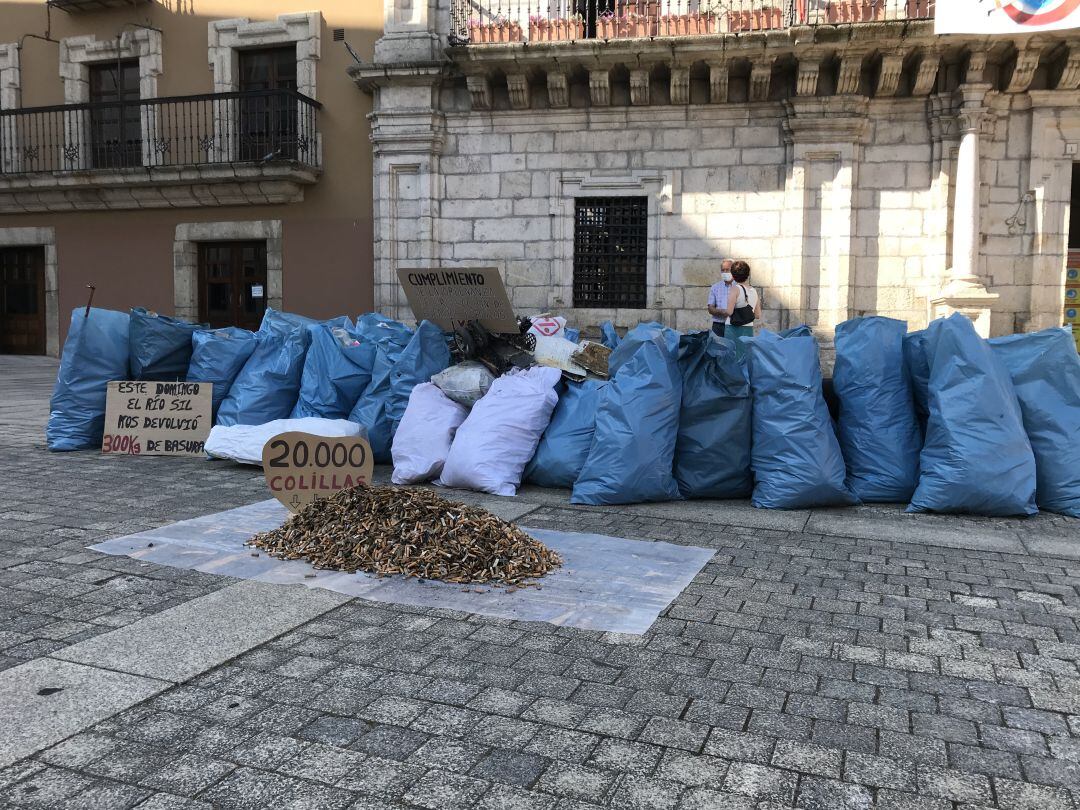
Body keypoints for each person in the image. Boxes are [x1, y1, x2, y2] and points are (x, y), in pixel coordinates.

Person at [725, 260, 761, 349]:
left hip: (733, 328)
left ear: (733, 276)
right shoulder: (754, 291)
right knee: (745, 358)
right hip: (748, 329)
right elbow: (758, 315)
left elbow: (729, 312)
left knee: (732, 357)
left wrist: (719, 311)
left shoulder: (735, 289)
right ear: (747, 275)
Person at [706, 258, 734, 337]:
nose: (725, 272)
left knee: (734, 348)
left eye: (727, 270)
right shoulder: (715, 287)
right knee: (717, 348)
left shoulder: (739, 287)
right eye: (723, 270)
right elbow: (710, 308)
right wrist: (722, 312)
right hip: (718, 326)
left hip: (734, 326)